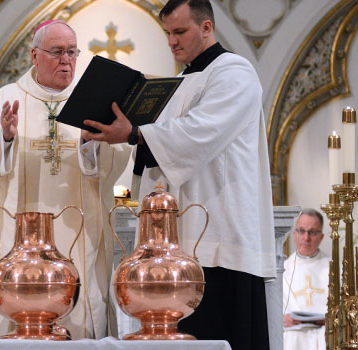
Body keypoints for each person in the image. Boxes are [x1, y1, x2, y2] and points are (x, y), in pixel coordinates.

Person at [82, 0, 276, 348]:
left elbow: (201, 133)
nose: (172, 41)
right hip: (177, 242)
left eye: (180, 31)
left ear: (206, 27)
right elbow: (159, 146)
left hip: (217, 235)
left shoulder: (233, 71)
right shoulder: (180, 81)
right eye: (168, 33)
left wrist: (134, 134)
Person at [0, 20, 130, 339]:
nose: (66, 60)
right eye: (56, 52)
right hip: (18, 237)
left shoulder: (91, 100)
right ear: (34, 55)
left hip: (78, 235)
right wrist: (4, 139)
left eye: (72, 52)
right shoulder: (5, 99)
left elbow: (117, 158)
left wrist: (89, 144)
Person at [283, 209, 328, 350]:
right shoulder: (283, 269)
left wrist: (332, 319)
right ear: (294, 234)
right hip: (292, 334)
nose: (306, 238)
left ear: (321, 237)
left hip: (326, 331)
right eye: (301, 231)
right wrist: (283, 318)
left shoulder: (335, 268)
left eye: (313, 232)